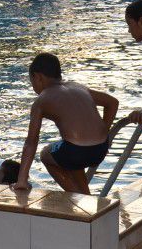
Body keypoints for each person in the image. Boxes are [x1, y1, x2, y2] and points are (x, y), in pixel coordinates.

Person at [13, 53, 118, 194]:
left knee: (46, 154)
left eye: (32, 82)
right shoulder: (78, 87)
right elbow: (112, 103)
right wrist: (104, 131)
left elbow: (31, 142)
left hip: (75, 152)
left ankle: (78, 195)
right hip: (101, 149)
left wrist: (21, 180)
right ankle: (86, 194)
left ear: (38, 77)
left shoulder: (42, 100)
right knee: (70, 156)